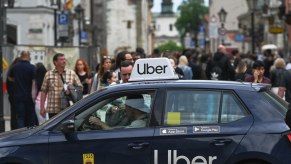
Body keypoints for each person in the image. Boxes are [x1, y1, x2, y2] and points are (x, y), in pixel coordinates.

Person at [40, 53, 83, 118]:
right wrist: (42, 107)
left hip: (68, 109)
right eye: (61, 59)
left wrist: (71, 90)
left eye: (64, 59)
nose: (64, 61)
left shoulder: (71, 73)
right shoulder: (48, 74)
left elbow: (80, 88)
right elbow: (43, 91)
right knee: (53, 128)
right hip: (53, 109)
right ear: (55, 62)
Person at [9, 51, 36, 128]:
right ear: (28, 56)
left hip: (18, 96)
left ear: (21, 56)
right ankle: (30, 135)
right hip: (29, 97)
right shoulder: (32, 67)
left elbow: (11, 78)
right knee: (30, 117)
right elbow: (34, 83)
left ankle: (21, 135)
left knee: (20, 117)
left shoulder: (15, 67)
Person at [6, 57, 20, 130]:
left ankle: (13, 128)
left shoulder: (10, 72)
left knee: (13, 113)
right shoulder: (18, 72)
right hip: (18, 95)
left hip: (12, 96)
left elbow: (8, 86)